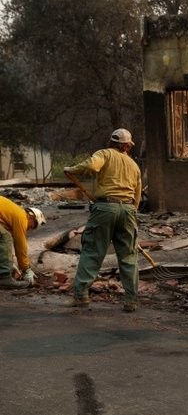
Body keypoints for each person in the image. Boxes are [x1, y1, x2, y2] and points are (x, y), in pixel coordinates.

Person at [63, 128, 142, 312]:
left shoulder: (104, 154)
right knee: (129, 257)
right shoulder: (134, 165)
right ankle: (131, 301)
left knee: (92, 252)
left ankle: (81, 296)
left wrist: (71, 169)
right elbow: (137, 197)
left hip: (105, 208)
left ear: (112, 142)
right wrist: (129, 213)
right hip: (129, 210)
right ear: (128, 146)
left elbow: (91, 166)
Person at [0, 198, 45, 289]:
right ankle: (4, 278)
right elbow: (20, 246)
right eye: (33, 226)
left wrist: (8, 262)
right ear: (31, 217)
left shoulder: (13, 214)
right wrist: (26, 269)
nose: (30, 229)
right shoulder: (22, 217)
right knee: (5, 237)